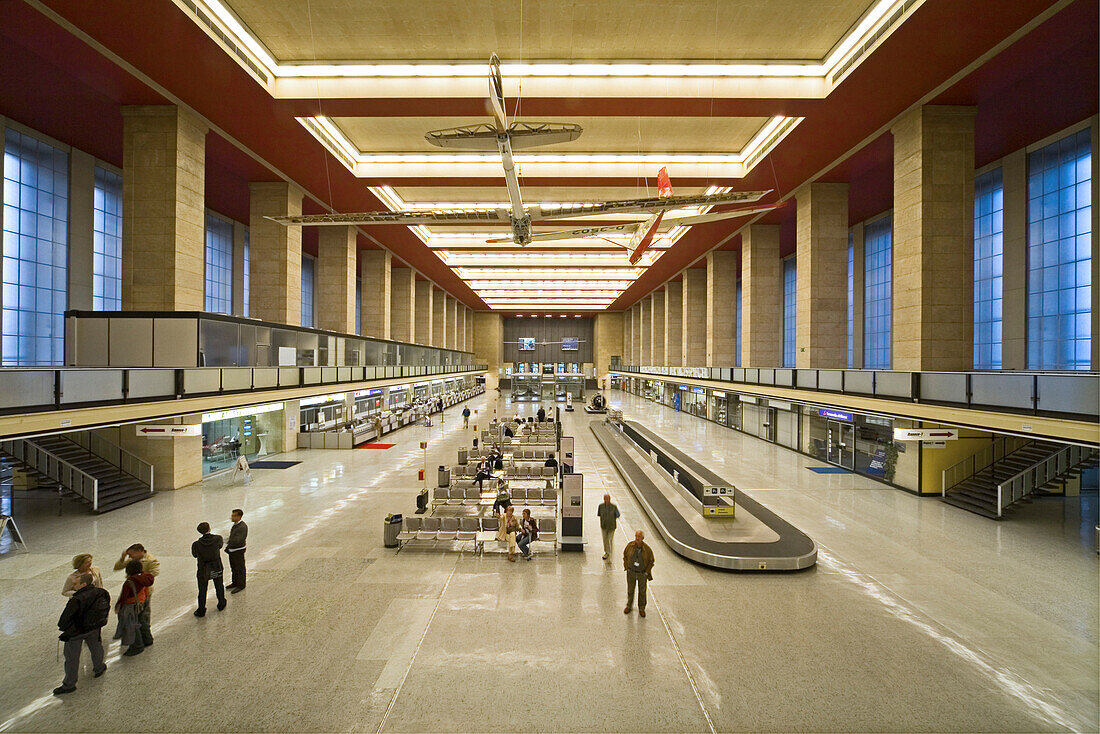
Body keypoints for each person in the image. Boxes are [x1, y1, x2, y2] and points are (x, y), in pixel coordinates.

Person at [53, 572, 110, 695]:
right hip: (94, 627)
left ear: (84, 584)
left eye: (76, 584)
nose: (74, 586)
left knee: (72, 658)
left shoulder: (76, 599)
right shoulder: (101, 592)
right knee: (96, 647)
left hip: (76, 632)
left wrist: (64, 628)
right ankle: (99, 667)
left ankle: (69, 684)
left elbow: (64, 620)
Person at [113, 544, 160, 637]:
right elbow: (117, 567)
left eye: (131, 554)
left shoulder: (151, 560)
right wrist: (122, 557)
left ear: (139, 552)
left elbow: (155, 572)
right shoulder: (132, 560)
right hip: (133, 590)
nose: (129, 557)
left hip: (144, 591)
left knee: (144, 612)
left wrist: (138, 576)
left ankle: (145, 632)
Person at [115, 559, 154, 656]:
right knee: (142, 621)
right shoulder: (145, 577)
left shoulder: (130, 582)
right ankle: (147, 639)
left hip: (131, 606)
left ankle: (137, 646)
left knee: (132, 626)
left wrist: (119, 606)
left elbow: (124, 596)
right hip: (142, 602)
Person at [191, 522, 226, 617]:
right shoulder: (218, 538)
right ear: (209, 528)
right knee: (219, 585)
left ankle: (201, 609)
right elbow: (220, 546)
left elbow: (194, 555)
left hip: (203, 568)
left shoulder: (196, 544)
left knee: (202, 589)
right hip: (216, 566)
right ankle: (221, 603)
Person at [623, 530, 655, 617]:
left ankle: (641, 608)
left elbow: (651, 561)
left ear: (643, 538)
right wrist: (627, 567)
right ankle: (629, 605)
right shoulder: (630, 546)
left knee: (642, 592)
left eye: (639, 536)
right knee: (630, 590)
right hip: (631, 572)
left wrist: (646, 572)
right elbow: (625, 556)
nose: (637, 538)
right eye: (636, 536)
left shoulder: (647, 549)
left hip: (642, 574)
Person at [226, 508, 248, 593]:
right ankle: (235, 582)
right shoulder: (235, 524)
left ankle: (241, 585)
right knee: (234, 567)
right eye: (232, 515)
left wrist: (227, 541)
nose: (232, 517)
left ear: (239, 516)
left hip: (238, 550)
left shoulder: (242, 526)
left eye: (234, 516)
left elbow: (238, 540)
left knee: (240, 568)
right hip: (232, 550)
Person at [597, 494, 620, 560]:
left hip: (611, 527)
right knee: (605, 540)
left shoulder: (614, 507)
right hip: (604, 526)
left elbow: (618, 515)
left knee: (610, 539)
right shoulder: (601, 506)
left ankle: (609, 552)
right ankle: (606, 552)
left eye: (608, 499)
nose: (607, 500)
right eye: (606, 499)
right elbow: (599, 514)